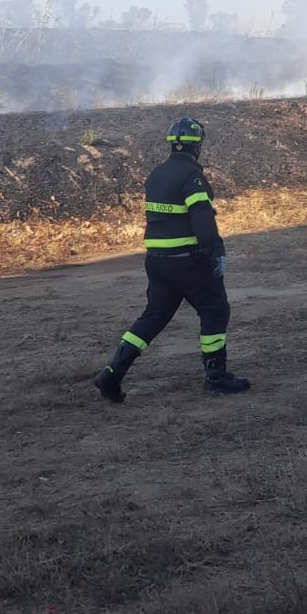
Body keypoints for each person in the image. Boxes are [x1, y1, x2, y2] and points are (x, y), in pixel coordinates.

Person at [94, 116, 251, 402]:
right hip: (188, 262)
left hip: (157, 262)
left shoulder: (157, 174)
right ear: (197, 146)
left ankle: (112, 373)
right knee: (215, 311)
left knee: (152, 318)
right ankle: (216, 377)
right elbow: (201, 215)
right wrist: (215, 250)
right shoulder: (191, 176)